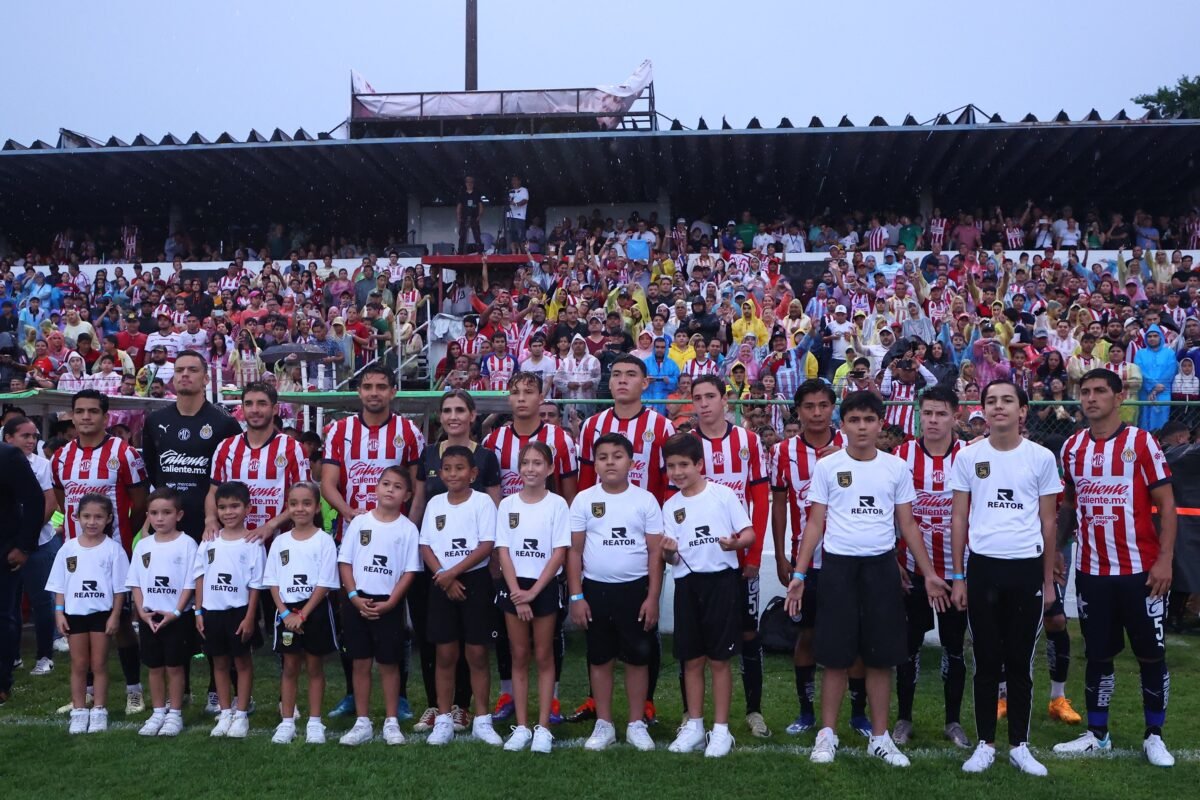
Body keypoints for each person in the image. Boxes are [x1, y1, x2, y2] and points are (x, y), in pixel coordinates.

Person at [785, 391, 950, 767]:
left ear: (880, 424)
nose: (862, 427)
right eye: (854, 421)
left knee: (880, 657)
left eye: (869, 420)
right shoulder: (828, 467)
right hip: (838, 569)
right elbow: (815, 522)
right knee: (835, 656)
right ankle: (827, 736)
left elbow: (907, 523)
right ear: (842, 425)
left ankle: (880, 737)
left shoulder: (895, 468)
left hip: (880, 570)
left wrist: (928, 574)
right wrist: (799, 572)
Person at [1052, 369, 1177, 767]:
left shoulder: (1141, 443)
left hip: (1142, 571)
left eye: (1100, 391)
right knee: (1099, 655)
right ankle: (1097, 733)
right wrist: (1058, 548)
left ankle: (1154, 734)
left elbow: (1168, 505)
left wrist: (1164, 560)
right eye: (1085, 392)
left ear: (1119, 396)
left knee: (1150, 655)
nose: (1091, 398)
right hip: (1091, 571)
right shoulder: (1071, 447)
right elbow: (1070, 504)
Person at [950, 380, 1061, 776]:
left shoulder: (1042, 457)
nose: (999, 407)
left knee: (1020, 662)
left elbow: (1048, 522)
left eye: (1007, 401)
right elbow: (959, 517)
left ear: (1022, 411)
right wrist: (958, 576)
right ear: (983, 409)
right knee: (985, 659)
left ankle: (1019, 745)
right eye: (991, 401)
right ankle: (984, 744)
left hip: (1026, 570)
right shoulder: (968, 456)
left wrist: (1048, 582)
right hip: (983, 569)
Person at [571, 354, 675, 724]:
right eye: (616, 375)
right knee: (598, 627)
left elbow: (667, 485)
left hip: (644, 535)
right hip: (600, 535)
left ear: (645, 384)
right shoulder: (592, 426)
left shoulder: (660, 427)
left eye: (631, 375)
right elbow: (585, 483)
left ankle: (644, 705)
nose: (622, 381)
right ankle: (594, 700)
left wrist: (663, 534)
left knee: (644, 620)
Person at [141, 349, 243, 713]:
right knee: (173, 606)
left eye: (193, 370)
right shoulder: (156, 422)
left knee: (214, 609)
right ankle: (178, 690)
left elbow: (228, 479)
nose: (185, 375)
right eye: (179, 370)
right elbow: (154, 474)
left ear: (205, 377)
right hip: (170, 529)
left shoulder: (223, 423)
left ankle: (219, 689)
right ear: (173, 378)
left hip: (212, 528)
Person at [482, 372, 577, 725]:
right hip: (508, 549)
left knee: (548, 635)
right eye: (515, 392)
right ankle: (509, 694)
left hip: (548, 551)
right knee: (509, 632)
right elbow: (489, 493)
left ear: (542, 397)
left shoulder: (560, 439)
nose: (522, 398)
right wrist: (494, 550)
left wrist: (568, 553)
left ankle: (549, 702)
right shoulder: (494, 440)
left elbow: (570, 493)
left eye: (529, 392)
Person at [407, 390, 501, 732]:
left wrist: (485, 567)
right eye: (447, 410)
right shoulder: (428, 454)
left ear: (473, 415)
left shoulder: (487, 459)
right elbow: (419, 508)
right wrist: (434, 568)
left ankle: (470, 711)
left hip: (472, 571)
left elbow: (492, 521)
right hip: (436, 569)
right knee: (439, 646)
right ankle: (438, 709)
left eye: (460, 409)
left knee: (474, 649)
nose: (453, 416)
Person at [51, 389, 148, 716]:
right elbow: (63, 497)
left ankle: (134, 690)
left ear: (105, 417)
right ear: (72, 416)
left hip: (114, 551)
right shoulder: (61, 457)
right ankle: (89, 692)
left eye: (93, 411)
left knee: (118, 622)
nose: (86, 417)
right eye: (80, 411)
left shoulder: (124, 453)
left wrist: (125, 538)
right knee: (81, 619)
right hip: (77, 554)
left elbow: (139, 501)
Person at [661, 433, 755, 758]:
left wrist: (735, 544)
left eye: (684, 464)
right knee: (692, 659)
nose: (677, 472)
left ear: (699, 464)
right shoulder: (671, 506)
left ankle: (721, 730)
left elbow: (749, 533)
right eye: (671, 466)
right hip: (688, 586)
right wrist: (668, 553)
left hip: (721, 584)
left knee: (719, 660)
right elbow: (672, 558)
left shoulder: (723, 495)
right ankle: (695, 727)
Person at [687, 374, 771, 737]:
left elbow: (761, 502)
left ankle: (753, 711)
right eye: (697, 398)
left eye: (710, 396)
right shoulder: (685, 445)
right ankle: (693, 718)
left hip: (739, 560)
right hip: (697, 562)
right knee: (697, 643)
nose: (704, 404)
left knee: (749, 634)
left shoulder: (748, 441)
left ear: (726, 400)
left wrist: (753, 556)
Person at [568, 433, 663, 752]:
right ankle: (604, 723)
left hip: (635, 590)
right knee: (600, 658)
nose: (610, 461)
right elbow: (574, 551)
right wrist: (577, 596)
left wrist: (652, 597)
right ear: (595, 463)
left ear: (631, 462)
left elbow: (654, 553)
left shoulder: (645, 500)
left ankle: (636, 723)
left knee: (637, 658)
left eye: (617, 456)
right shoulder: (583, 499)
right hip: (595, 590)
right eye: (603, 456)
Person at [891, 386, 970, 748]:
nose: (933, 420)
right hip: (913, 572)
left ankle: (952, 721)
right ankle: (904, 718)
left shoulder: (970, 456)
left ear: (955, 415)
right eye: (927, 413)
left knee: (955, 649)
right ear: (918, 415)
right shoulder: (901, 455)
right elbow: (887, 511)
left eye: (940, 413)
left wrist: (963, 575)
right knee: (908, 648)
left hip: (957, 576)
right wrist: (895, 559)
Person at [337, 467, 422, 747]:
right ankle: (362, 721)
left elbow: (410, 571)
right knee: (360, 662)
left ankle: (391, 721)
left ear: (407, 495)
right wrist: (353, 596)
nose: (390, 490)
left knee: (388, 663)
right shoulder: (360, 523)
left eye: (397, 487)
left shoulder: (408, 529)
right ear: (376, 488)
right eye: (385, 484)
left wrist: (392, 603)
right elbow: (345, 562)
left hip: (389, 604)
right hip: (357, 601)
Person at [495, 442, 570, 753]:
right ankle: (522, 726)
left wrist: (534, 593)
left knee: (543, 655)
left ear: (550, 469)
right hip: (515, 587)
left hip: (543, 587)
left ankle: (542, 726)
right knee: (519, 654)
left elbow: (558, 553)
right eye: (525, 462)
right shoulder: (508, 504)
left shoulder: (557, 505)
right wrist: (517, 594)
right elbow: (504, 551)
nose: (530, 468)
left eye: (538, 463)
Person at [262, 482, 339, 745]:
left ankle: (315, 722)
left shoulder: (324, 540)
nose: (300, 508)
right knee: (290, 666)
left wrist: (303, 614)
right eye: (293, 503)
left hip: (313, 610)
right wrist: (285, 614)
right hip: (286, 612)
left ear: (317, 507)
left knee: (315, 666)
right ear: (288, 507)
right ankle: (287, 722)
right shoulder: (280, 542)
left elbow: (325, 583)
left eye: (307, 503)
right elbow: (272, 581)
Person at [46, 493, 130, 734]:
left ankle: (99, 710)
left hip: (101, 615)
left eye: (98, 517)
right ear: (77, 517)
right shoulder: (67, 548)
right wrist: (59, 613)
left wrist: (115, 615)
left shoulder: (114, 550)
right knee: (79, 664)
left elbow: (119, 590)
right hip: (75, 615)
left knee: (99, 663)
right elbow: (59, 586)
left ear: (108, 519)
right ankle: (80, 711)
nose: (92, 522)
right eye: (87, 516)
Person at [194, 480, 266, 739]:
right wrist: (198, 612)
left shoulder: (253, 543)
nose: (228, 512)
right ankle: (225, 713)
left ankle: (242, 713)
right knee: (219, 663)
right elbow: (200, 576)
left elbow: (256, 585)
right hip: (211, 612)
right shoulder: (209, 541)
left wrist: (250, 617)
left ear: (247, 508)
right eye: (222, 507)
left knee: (242, 663)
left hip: (239, 612)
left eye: (235, 506)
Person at [126, 488, 198, 737]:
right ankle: (158, 712)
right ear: (147, 515)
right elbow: (135, 582)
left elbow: (191, 583)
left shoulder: (188, 544)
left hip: (176, 617)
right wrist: (141, 613)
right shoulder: (143, 546)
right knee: (154, 666)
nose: (160, 518)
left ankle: (175, 713)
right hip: (149, 617)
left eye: (166, 513)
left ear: (178, 515)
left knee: (175, 666)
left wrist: (177, 612)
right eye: (154, 513)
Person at [209, 382, 311, 538]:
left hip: (280, 542)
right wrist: (210, 519)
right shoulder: (226, 447)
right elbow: (213, 492)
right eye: (249, 404)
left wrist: (271, 525)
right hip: (237, 543)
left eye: (262, 404)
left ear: (275, 409)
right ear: (242, 409)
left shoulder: (293, 448)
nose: (254, 410)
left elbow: (305, 497)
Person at [3, 416, 60, 679]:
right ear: (8, 438)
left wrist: (29, 536)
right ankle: (12, 655)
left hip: (38, 542)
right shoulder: (6, 459)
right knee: (10, 604)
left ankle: (44, 655)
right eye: (25, 435)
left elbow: (48, 501)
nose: (31, 440)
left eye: (34, 436)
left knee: (41, 600)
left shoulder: (42, 465)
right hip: (9, 542)